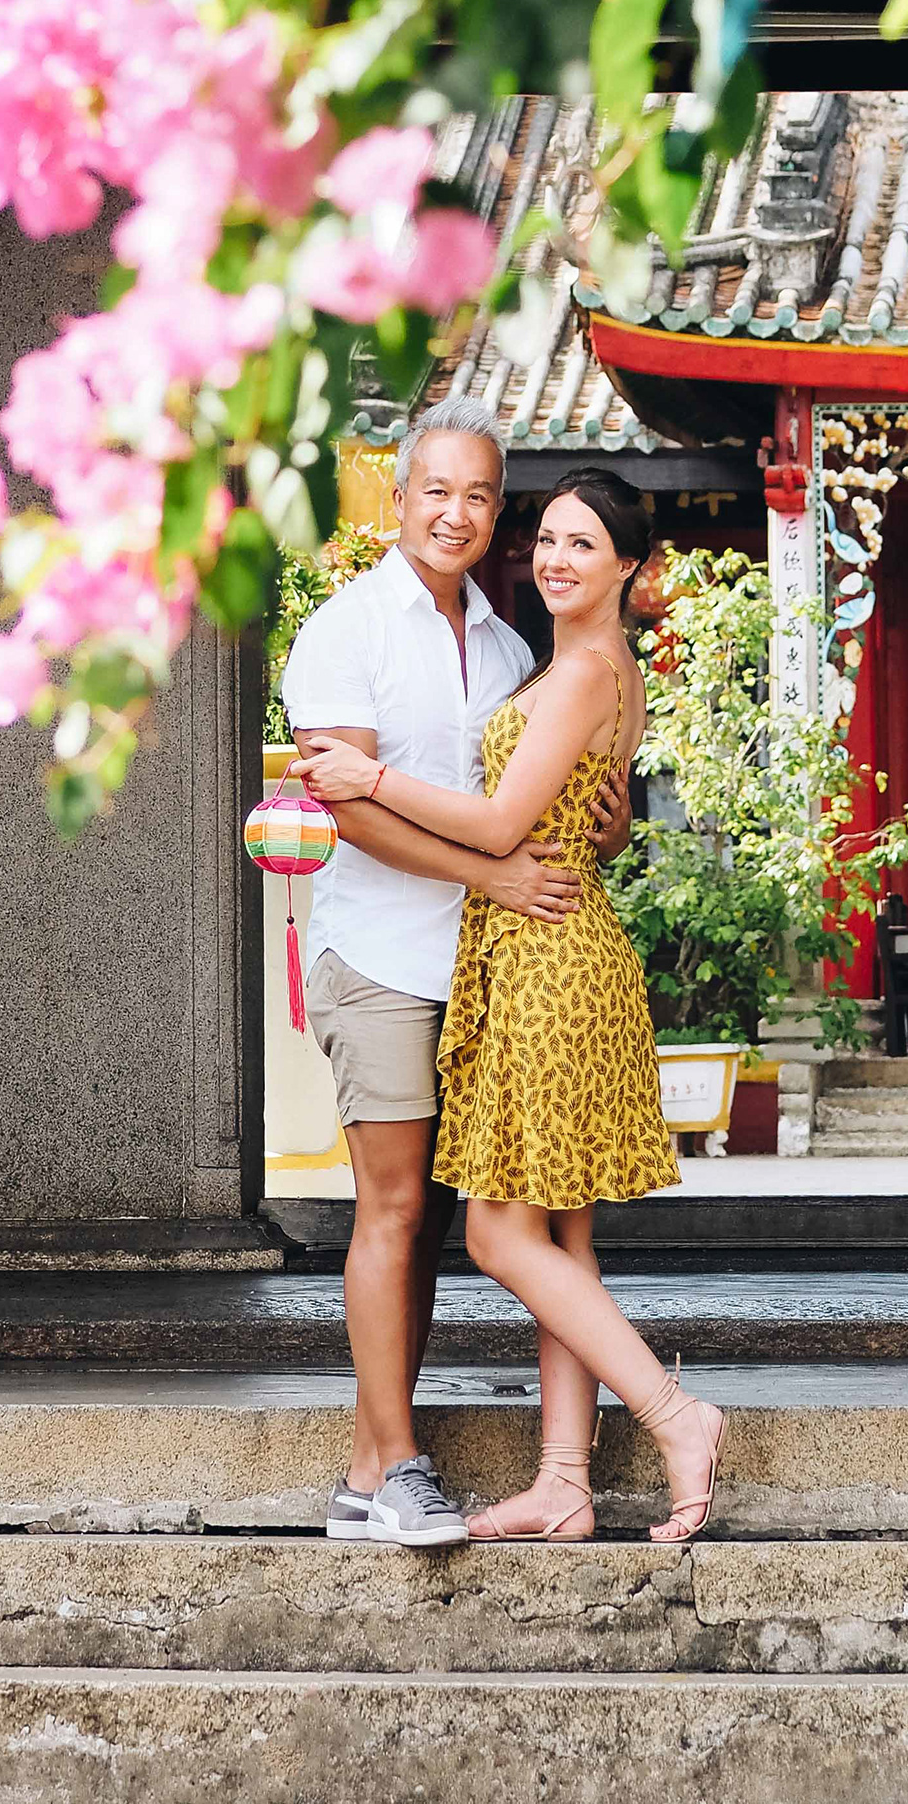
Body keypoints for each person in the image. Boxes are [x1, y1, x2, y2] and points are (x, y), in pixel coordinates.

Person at [301, 464, 728, 1548]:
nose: (554, 557)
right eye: (547, 537)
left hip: (548, 961)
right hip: (548, 946)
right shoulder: (575, 664)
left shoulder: (583, 669)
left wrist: (370, 779)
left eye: (584, 544)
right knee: (557, 1235)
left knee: (496, 1233)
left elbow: (496, 830)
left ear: (631, 567)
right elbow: (592, 814)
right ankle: (565, 1481)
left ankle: (677, 1418)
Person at [281, 398, 625, 1547]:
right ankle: (395, 1466)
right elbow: (355, 814)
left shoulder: (512, 643)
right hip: (381, 953)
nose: (458, 513)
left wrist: (601, 828)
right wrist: (492, 878)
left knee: (435, 1217)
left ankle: (372, 1465)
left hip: (488, 972)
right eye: (438, 489)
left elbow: (537, 805)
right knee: (390, 1205)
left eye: (481, 495)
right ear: (399, 495)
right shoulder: (345, 630)